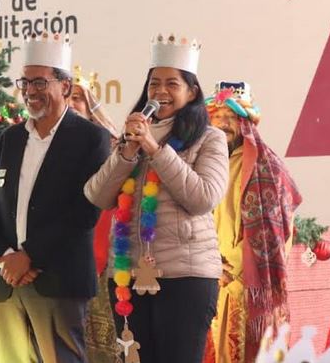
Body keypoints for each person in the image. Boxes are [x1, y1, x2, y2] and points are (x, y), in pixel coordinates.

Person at [84, 34, 229, 363]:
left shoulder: (210, 138)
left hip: (186, 277)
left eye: (171, 84)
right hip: (127, 276)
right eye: (154, 84)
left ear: (191, 92)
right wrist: (127, 153)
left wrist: (154, 149)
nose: (160, 92)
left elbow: (203, 197)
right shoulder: (130, 139)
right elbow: (96, 196)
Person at [0, 32, 112, 363]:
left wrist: (29, 256)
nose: (30, 92)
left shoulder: (91, 138)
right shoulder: (8, 139)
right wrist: (5, 256)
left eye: (40, 82)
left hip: (58, 281)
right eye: (25, 83)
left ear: (65, 87)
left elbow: (83, 211)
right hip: (7, 281)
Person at [203, 82, 302, 363]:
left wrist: (228, 266)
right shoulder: (204, 164)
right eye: (217, 116)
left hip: (243, 286)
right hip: (208, 279)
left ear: (246, 123)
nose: (223, 124)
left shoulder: (266, 167)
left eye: (231, 118)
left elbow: (275, 233)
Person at [67, 66, 121, 363]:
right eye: (68, 97)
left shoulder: (111, 144)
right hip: (65, 249)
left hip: (103, 247)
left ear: (90, 107)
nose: (73, 104)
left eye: (79, 98)